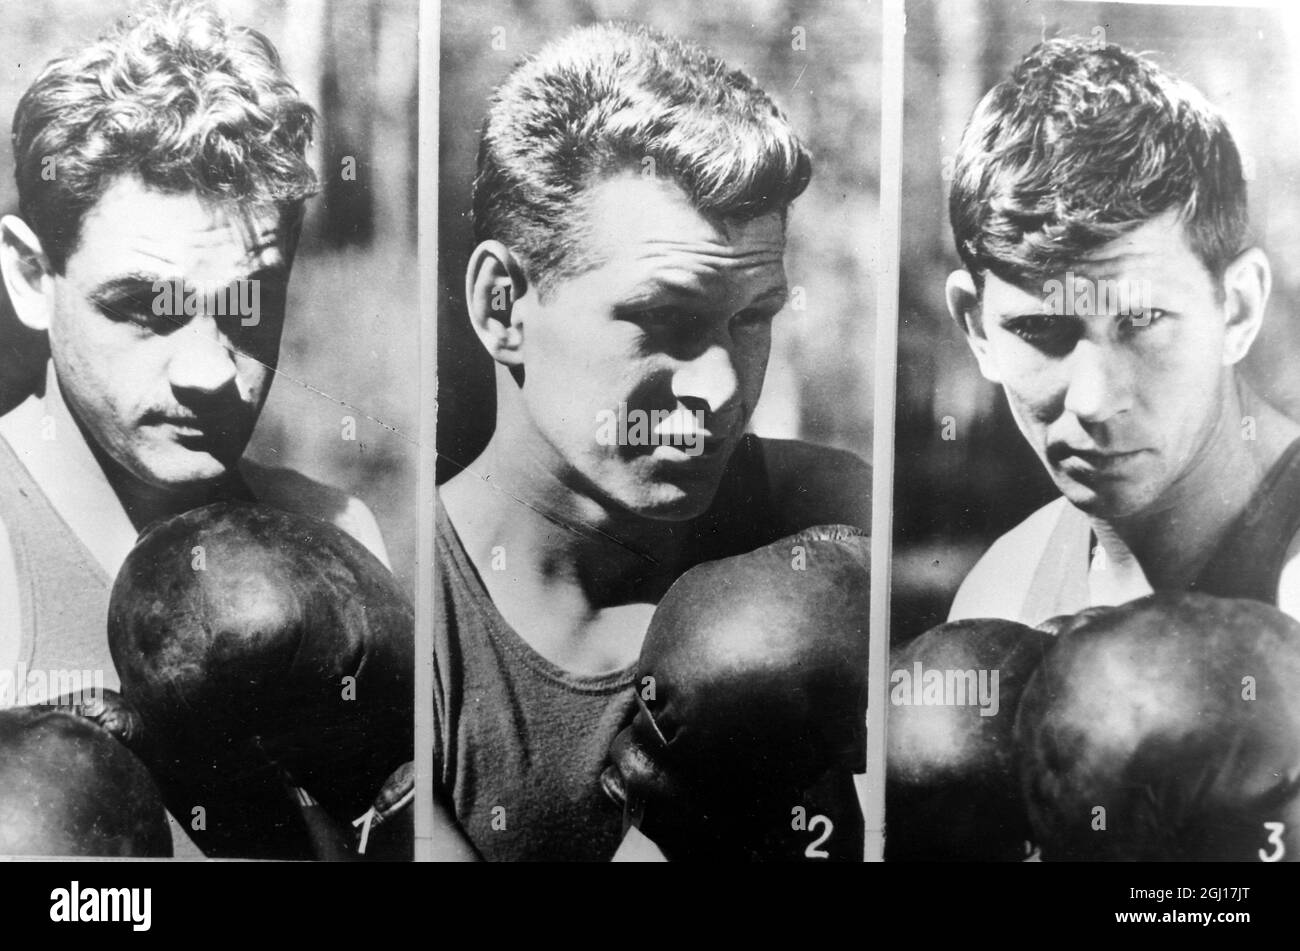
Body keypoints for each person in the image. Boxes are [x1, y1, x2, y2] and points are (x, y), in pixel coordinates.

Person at [435, 21, 871, 861]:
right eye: (665, 319)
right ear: (503, 306)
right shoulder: (419, 630)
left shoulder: (832, 516)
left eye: (752, 319)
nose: (719, 387)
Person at [0, 2, 389, 855]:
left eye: (248, 303)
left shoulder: (335, 537)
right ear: (33, 275)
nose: (211, 371)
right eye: (144, 307)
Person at [943, 37, 1300, 627]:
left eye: (1142, 321)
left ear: (1237, 309)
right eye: (1039, 329)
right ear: (977, 329)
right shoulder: (1003, 594)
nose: (1094, 401)